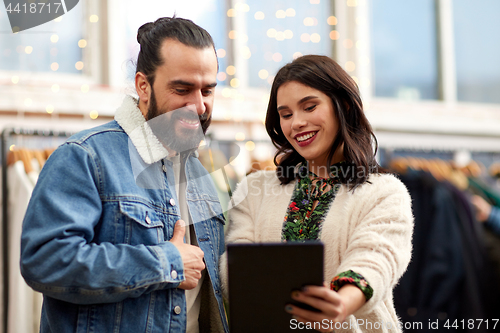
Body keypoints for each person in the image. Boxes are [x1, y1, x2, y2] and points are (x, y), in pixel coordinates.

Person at [20, 17, 228, 333]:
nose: (198, 105)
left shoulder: (200, 173)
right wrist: (166, 263)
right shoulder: (85, 157)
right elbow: (46, 261)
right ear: (143, 86)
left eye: (208, 90)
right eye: (182, 89)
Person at [220, 55, 413, 332]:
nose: (296, 123)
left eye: (309, 107)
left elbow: (377, 259)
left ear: (343, 106)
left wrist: (341, 303)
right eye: (286, 114)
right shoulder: (254, 189)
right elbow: (234, 264)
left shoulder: (384, 192)